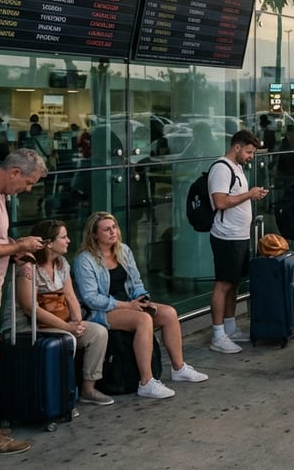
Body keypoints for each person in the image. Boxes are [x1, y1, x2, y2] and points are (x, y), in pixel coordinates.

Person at [74, 211, 209, 397]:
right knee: (143, 320)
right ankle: (146, 382)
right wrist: (127, 306)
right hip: (102, 310)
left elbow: (136, 283)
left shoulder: (123, 250)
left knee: (169, 313)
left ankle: (179, 368)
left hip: (130, 303)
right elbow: (90, 298)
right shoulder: (85, 260)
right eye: (106, 229)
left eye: (114, 227)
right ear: (94, 234)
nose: (113, 232)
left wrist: (144, 299)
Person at [0, 149, 46, 454]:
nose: (28, 189)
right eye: (27, 182)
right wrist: (16, 247)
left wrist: (13, 250)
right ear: (13, 173)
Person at [16, 219, 112, 406]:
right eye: (64, 237)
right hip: (30, 326)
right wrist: (67, 327)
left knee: (98, 333)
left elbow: (70, 295)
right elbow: (30, 307)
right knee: (69, 339)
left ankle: (88, 388)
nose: (68, 240)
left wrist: (78, 322)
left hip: (60, 322)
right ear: (49, 243)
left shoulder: (61, 263)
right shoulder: (28, 267)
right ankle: (61, 394)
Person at [207, 130, 268, 354]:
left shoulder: (237, 168)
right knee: (223, 283)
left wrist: (252, 195)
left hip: (239, 234)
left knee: (233, 283)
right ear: (237, 147)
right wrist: (249, 195)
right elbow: (220, 201)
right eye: (249, 152)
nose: (252, 156)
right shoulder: (221, 169)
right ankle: (218, 333)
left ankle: (230, 327)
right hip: (226, 235)